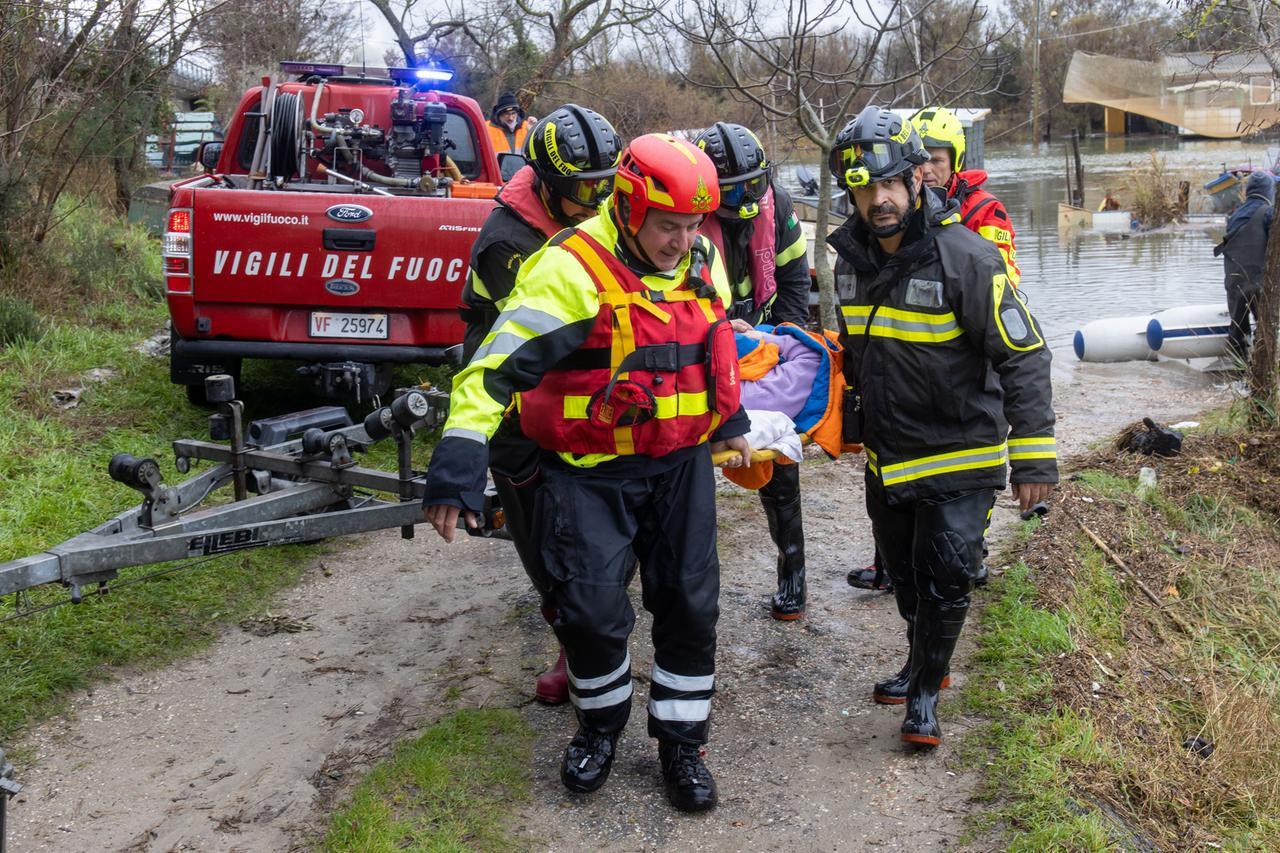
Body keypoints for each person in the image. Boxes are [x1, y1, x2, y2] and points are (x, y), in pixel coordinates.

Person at [422, 134, 752, 812]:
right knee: (591, 612)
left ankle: (682, 744)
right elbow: (490, 371)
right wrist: (459, 464)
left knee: (690, 606)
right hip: (589, 473)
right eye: (668, 226)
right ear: (628, 206)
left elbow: (708, 343)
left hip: (679, 467)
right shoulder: (567, 270)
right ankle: (599, 728)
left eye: (694, 225)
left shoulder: (701, 257)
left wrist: (732, 419)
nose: (683, 242)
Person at [827, 106, 1057, 746]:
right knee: (903, 578)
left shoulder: (969, 259)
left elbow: (1025, 355)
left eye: (890, 183)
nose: (879, 200)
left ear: (916, 179)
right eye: (864, 188)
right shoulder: (849, 263)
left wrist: (1035, 460)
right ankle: (921, 657)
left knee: (947, 572)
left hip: (962, 452)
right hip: (891, 458)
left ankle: (926, 692)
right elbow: (859, 355)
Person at [459, 104, 623, 705]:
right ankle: (570, 638)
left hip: (583, 394)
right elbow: (537, 342)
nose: (598, 203)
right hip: (515, 404)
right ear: (549, 186)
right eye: (585, 191)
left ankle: (597, 618)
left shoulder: (593, 213)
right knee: (540, 529)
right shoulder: (507, 243)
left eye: (606, 187)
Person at [847, 105, 1024, 592]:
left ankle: (969, 552)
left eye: (937, 161)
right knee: (901, 535)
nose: (929, 170)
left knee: (948, 563)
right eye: (924, 160)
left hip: (968, 347)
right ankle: (893, 564)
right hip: (896, 430)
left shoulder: (980, 218)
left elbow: (1004, 289)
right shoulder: (862, 248)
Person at [693, 121, 812, 620]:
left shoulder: (776, 206)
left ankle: (793, 573)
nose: (745, 197)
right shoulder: (686, 215)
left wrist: (781, 340)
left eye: (753, 185)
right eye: (732, 190)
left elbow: (795, 281)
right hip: (699, 349)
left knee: (779, 461)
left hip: (760, 343)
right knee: (687, 475)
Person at [1214, 170, 1274, 363]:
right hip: (1259, 282)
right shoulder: (1269, 213)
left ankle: (1237, 365)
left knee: (1238, 328)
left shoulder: (1234, 216)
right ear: (1269, 192)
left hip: (1234, 284)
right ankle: (1262, 366)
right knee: (1265, 326)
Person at [486, 91, 533, 155]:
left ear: (517, 113)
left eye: (513, 113)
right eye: (507, 114)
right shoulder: (486, 129)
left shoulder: (527, 127)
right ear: (499, 114)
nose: (511, 118)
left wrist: (534, 132)